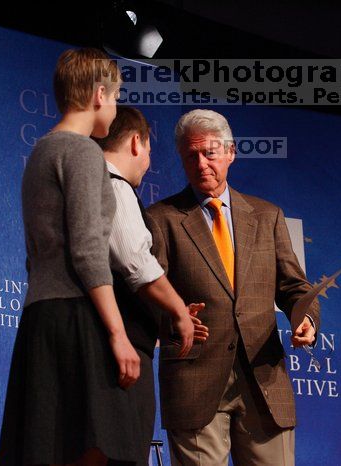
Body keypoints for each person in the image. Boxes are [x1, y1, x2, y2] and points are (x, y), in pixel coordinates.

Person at [0, 48, 193, 466]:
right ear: (100, 94)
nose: (116, 105)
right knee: (98, 451)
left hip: (41, 318)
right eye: (118, 95)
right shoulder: (83, 151)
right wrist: (118, 334)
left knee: (51, 450)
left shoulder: (41, 151)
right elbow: (89, 250)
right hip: (77, 321)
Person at [146, 109, 320, 466]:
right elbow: (148, 293)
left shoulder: (266, 215)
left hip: (264, 377)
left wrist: (307, 320)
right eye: (190, 155)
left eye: (209, 153)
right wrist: (171, 319)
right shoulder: (161, 219)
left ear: (230, 152)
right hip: (195, 377)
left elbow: (293, 286)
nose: (201, 163)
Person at [93, 106, 209, 465]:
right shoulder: (116, 188)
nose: (148, 161)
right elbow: (135, 262)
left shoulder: (91, 187)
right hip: (118, 360)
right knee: (121, 455)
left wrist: (167, 316)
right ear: (134, 142)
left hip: (114, 349)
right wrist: (176, 308)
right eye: (149, 150)